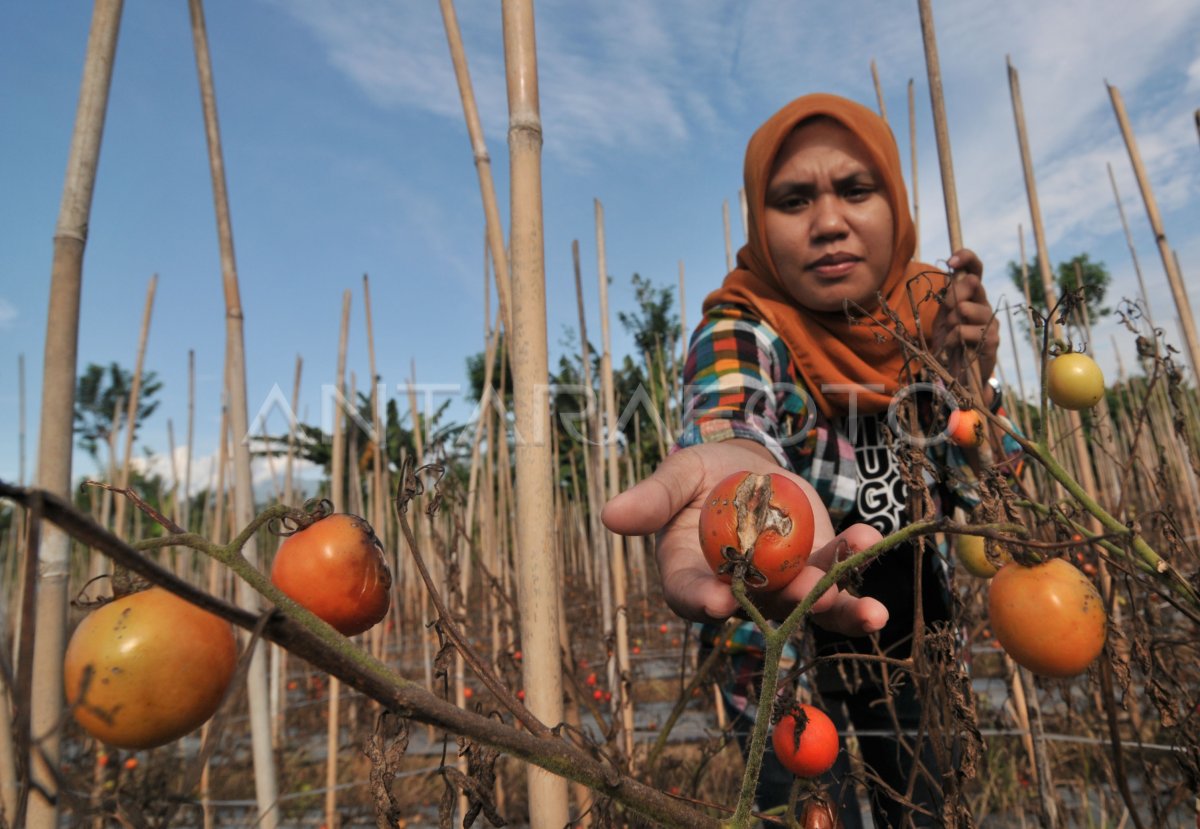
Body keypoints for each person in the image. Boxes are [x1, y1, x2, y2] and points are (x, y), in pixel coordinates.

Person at [602, 94, 1009, 827]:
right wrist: (738, 460)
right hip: (774, 653)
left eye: (856, 189)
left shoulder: (932, 319)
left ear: (895, 203)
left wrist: (970, 388)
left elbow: (994, 499)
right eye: (793, 199)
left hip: (913, 631)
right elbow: (731, 404)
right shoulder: (743, 323)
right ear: (762, 222)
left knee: (921, 806)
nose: (827, 222)